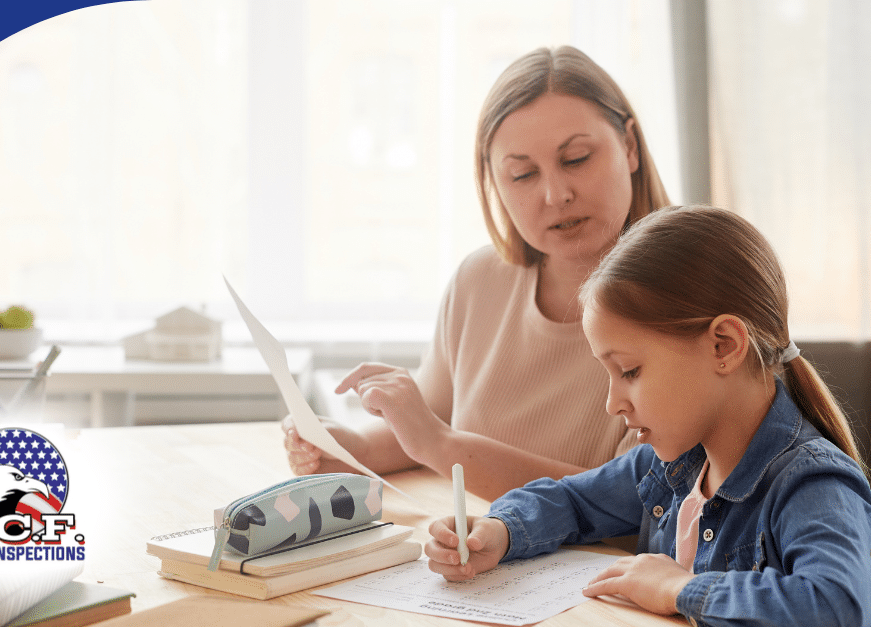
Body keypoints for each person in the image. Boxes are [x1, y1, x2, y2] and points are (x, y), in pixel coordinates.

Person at [424, 206, 871, 626]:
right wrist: (499, 532)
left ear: (724, 344)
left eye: (629, 371)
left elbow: (839, 605)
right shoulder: (669, 466)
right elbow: (573, 502)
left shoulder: (813, 483)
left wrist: (678, 588)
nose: (613, 402)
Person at [282, 45, 672, 499]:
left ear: (629, 146)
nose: (555, 194)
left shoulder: (682, 300)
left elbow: (635, 501)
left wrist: (438, 443)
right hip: (473, 552)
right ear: (493, 182)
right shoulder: (480, 280)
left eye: (576, 159)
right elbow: (431, 427)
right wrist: (353, 448)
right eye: (522, 174)